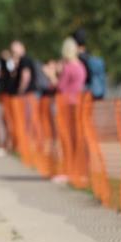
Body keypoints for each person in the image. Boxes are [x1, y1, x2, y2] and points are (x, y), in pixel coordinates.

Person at [52, 37, 87, 184]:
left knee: (66, 138)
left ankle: (68, 171)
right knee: (76, 138)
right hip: (78, 103)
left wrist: (52, 75)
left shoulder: (68, 67)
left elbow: (60, 87)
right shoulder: (81, 66)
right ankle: (78, 171)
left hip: (66, 104)